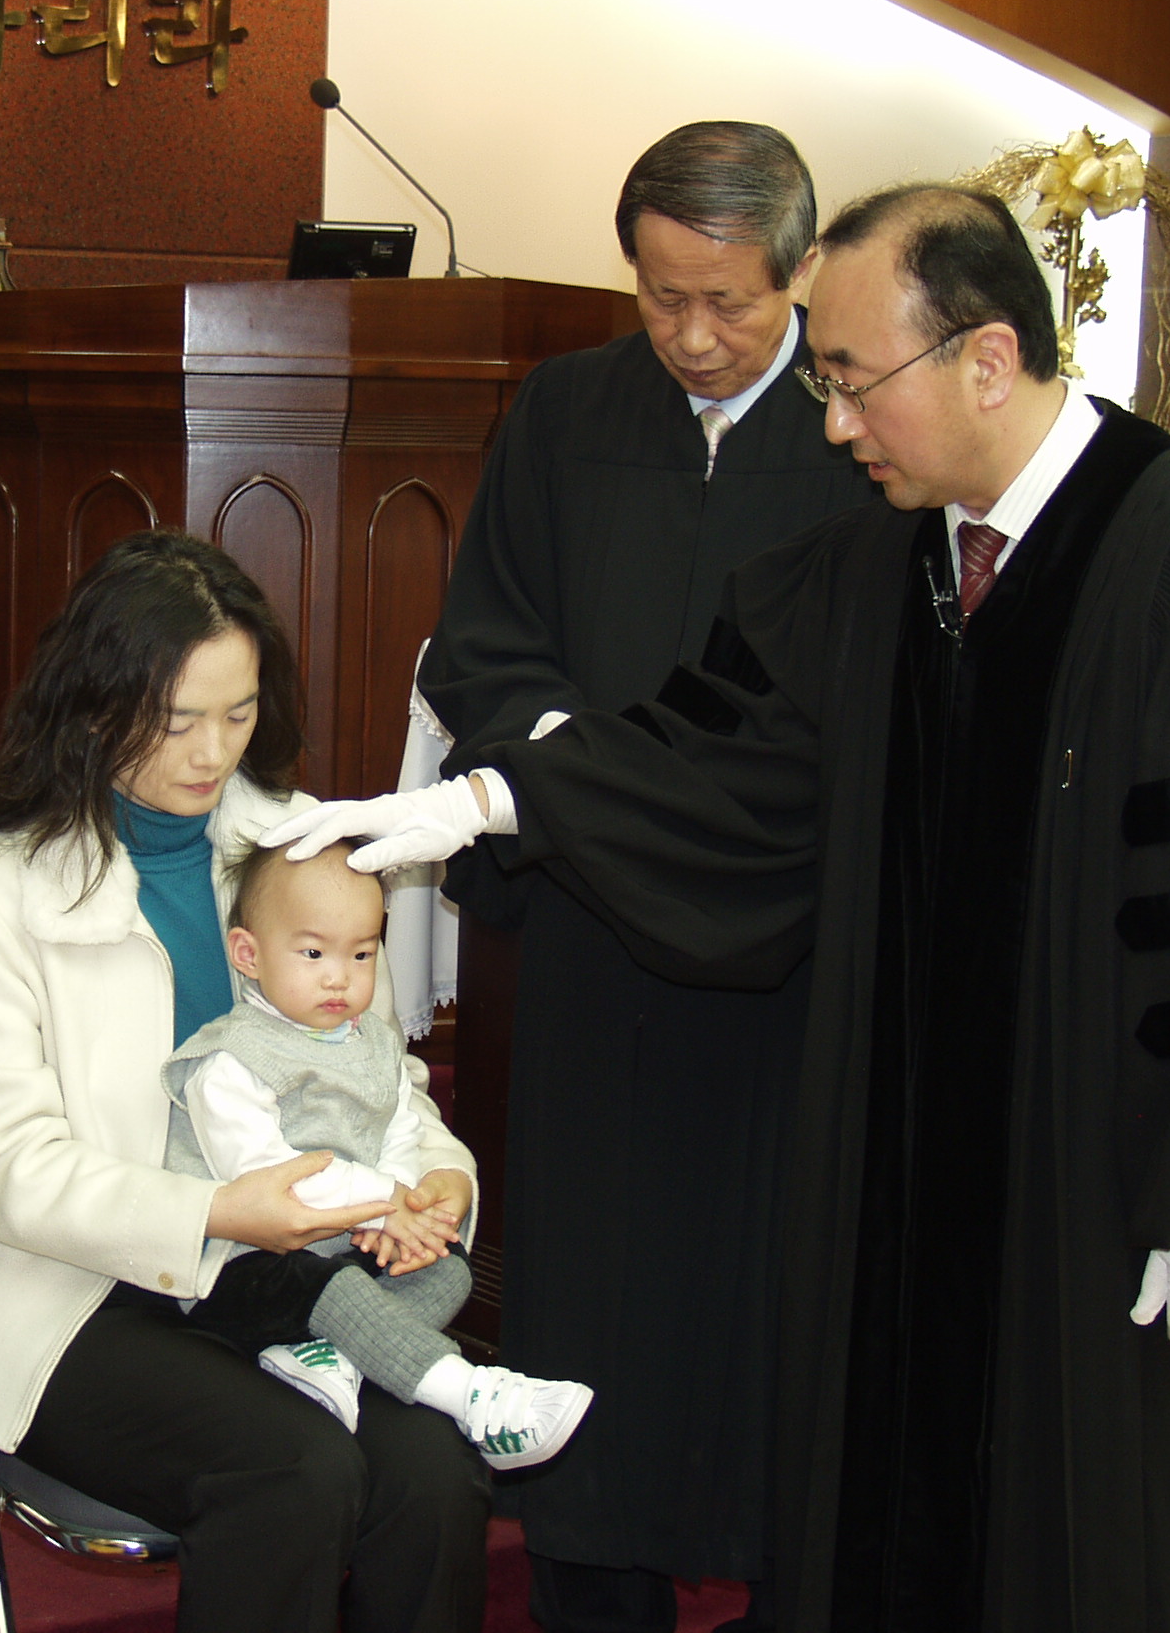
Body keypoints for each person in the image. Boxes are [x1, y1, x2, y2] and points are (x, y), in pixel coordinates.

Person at [271, 183, 1170, 1633]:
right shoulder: (887, 564)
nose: (833, 427)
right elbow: (724, 763)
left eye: (850, 382)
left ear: (988, 358)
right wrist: (491, 802)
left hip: (1109, 1201)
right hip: (911, 1188)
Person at [416, 119, 869, 1633]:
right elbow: (486, 634)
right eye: (661, 295)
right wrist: (569, 768)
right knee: (593, 1294)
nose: (691, 334)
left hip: (787, 945)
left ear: (797, 274)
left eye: (727, 301)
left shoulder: (855, 425)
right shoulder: (567, 409)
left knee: (770, 1300)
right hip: (595, 932)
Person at [0, 530, 491, 1633]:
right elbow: (5, 1170)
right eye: (174, 721)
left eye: (239, 713)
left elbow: (382, 1079)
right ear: (92, 703)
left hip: (289, 1275)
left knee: (433, 1469)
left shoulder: (295, 845)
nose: (212, 752)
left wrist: (441, 1180)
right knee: (293, 1472)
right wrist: (216, 1213)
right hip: (64, 1290)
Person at [162, 841, 594, 1465]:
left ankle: (329, 1356)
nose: (339, 976)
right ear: (249, 954)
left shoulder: (372, 1044)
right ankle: (472, 1395)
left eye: (361, 953)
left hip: (349, 1243)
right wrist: (383, 1202)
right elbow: (271, 1178)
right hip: (244, 1264)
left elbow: (397, 1130)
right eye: (313, 954)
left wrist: (402, 1207)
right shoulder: (229, 1060)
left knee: (445, 1267)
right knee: (331, 1284)